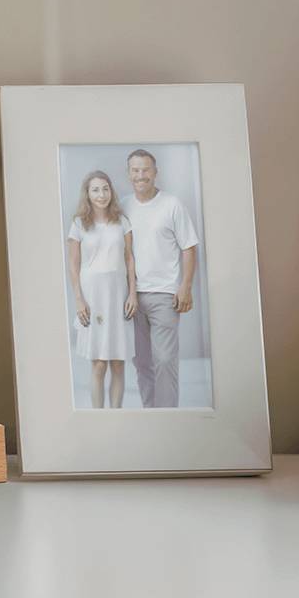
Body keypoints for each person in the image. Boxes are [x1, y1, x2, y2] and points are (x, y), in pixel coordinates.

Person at [120, 149, 199, 408]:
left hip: (165, 294)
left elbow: (189, 247)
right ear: (129, 173)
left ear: (155, 172)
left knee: (164, 359)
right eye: (135, 170)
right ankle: (150, 416)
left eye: (145, 169)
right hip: (131, 296)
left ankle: (167, 419)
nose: (140, 175)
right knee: (142, 361)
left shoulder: (171, 205)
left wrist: (185, 287)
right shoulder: (123, 206)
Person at [67, 171, 138, 408]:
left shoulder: (122, 221)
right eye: (95, 189)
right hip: (92, 295)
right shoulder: (78, 224)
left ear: (111, 191)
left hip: (119, 294)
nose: (101, 194)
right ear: (87, 193)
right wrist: (79, 300)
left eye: (105, 188)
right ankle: (98, 417)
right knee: (98, 363)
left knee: (118, 362)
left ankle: (116, 414)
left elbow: (129, 260)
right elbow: (74, 266)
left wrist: (132, 294)